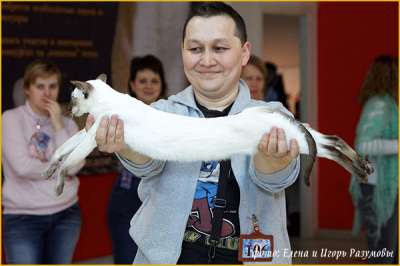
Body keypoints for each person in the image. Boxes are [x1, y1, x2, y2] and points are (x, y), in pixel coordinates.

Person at [87, 2, 300, 264]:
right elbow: (148, 165)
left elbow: (276, 179)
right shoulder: (161, 112)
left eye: (220, 48)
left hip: (252, 257)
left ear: (244, 53)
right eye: (195, 48)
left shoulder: (273, 118)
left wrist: (274, 160)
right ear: (183, 52)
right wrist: (124, 144)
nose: (207, 60)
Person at [2, 59, 84, 264]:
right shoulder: (9, 119)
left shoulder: (68, 124)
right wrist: (61, 169)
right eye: (40, 86)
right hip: (23, 218)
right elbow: (21, 167)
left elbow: (74, 166)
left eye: (52, 86)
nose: (47, 93)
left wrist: (57, 125)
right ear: (27, 89)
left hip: (67, 215)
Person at [107, 54, 167, 264]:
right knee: (126, 258)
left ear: (162, 84)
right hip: (127, 195)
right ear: (132, 84)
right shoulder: (119, 115)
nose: (148, 86)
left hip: (163, 198)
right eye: (142, 81)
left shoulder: (172, 116)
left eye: (154, 81)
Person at [349, 55, 398, 264]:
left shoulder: (388, 104)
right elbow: (363, 145)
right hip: (376, 187)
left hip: (383, 185)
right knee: (382, 250)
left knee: (387, 248)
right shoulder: (379, 105)